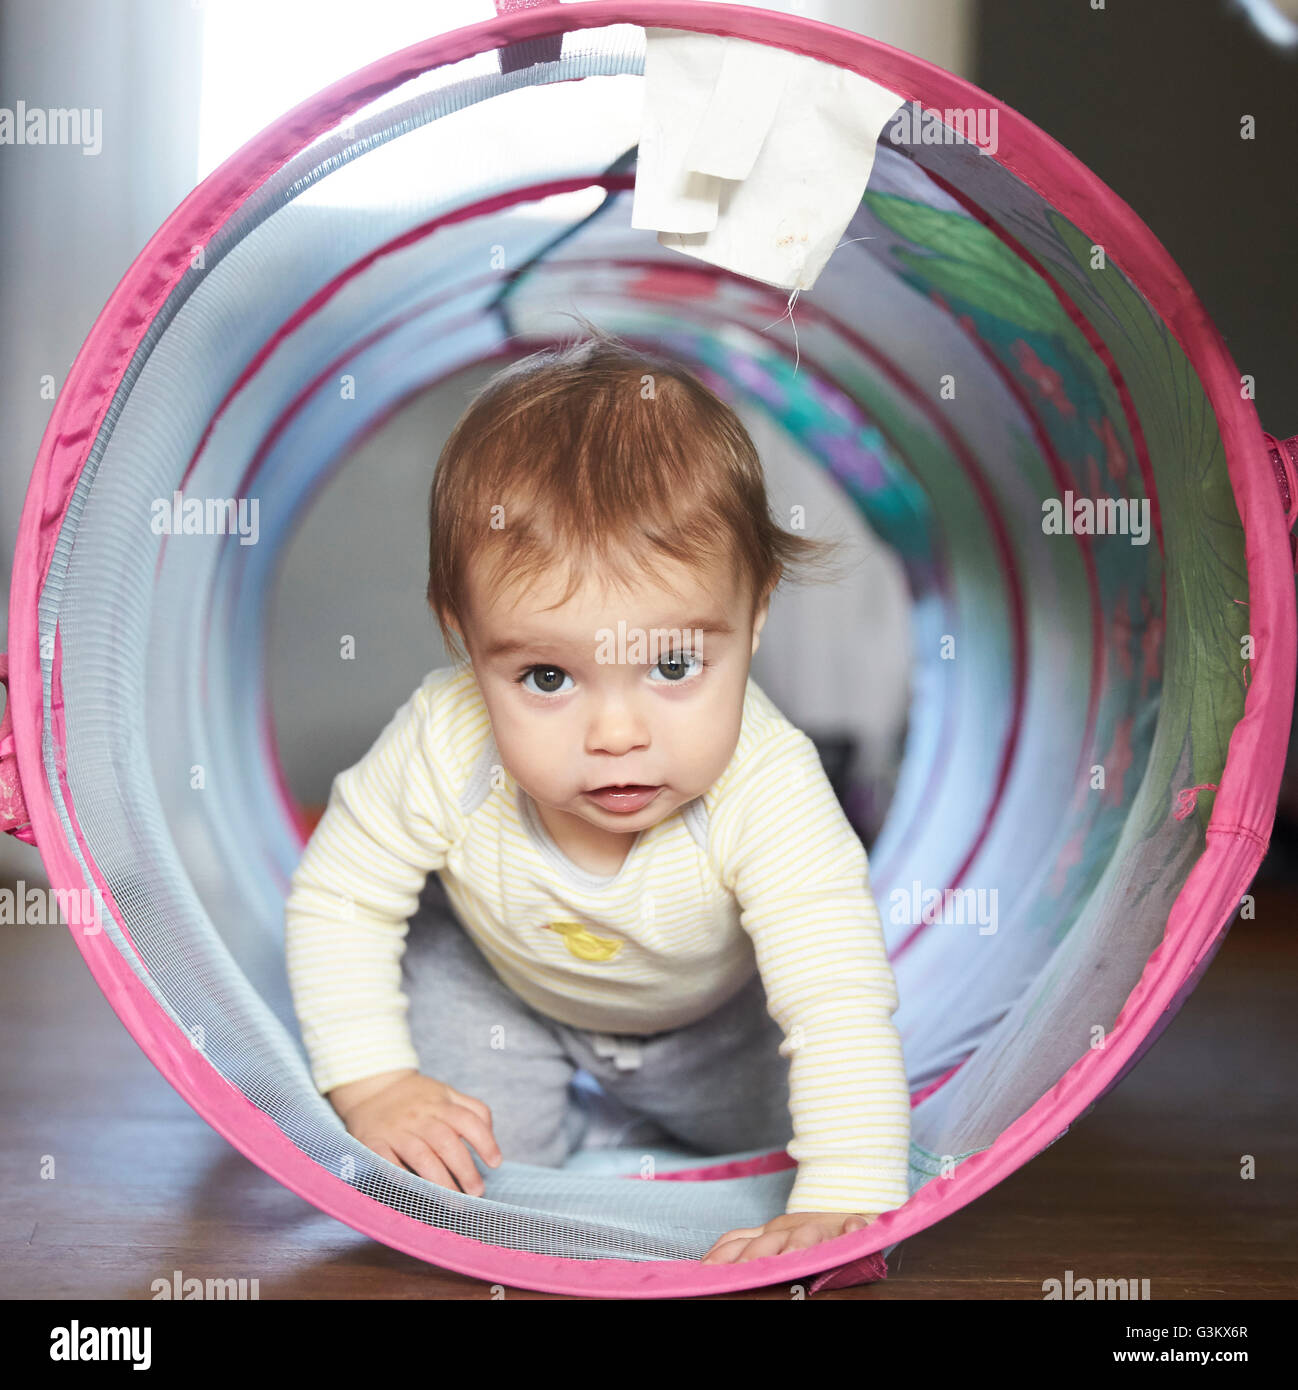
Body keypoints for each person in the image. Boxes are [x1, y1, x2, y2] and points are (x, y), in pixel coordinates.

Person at [284, 321, 910, 1265]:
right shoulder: (442, 740)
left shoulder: (769, 784)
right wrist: (372, 1082)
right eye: (546, 677)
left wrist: (847, 1197)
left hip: (712, 1028)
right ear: (461, 633)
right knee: (461, 1178)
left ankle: (639, 1136)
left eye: (671, 663)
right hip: (503, 994)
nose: (617, 735)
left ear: (757, 612)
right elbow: (340, 897)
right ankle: (565, 1136)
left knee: (788, 1142)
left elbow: (833, 998)